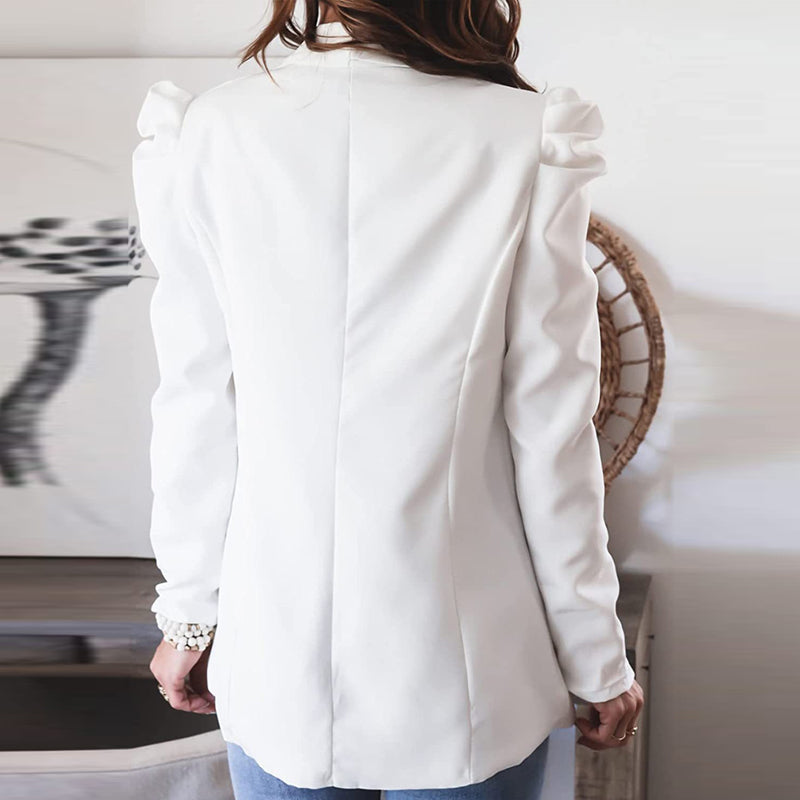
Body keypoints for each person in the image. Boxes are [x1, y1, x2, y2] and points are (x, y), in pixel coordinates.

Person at [133, 1, 644, 798]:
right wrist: (595, 656)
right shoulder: (524, 137)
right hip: (469, 669)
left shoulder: (209, 129)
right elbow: (551, 435)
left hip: (274, 655)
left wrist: (190, 615)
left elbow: (197, 405)